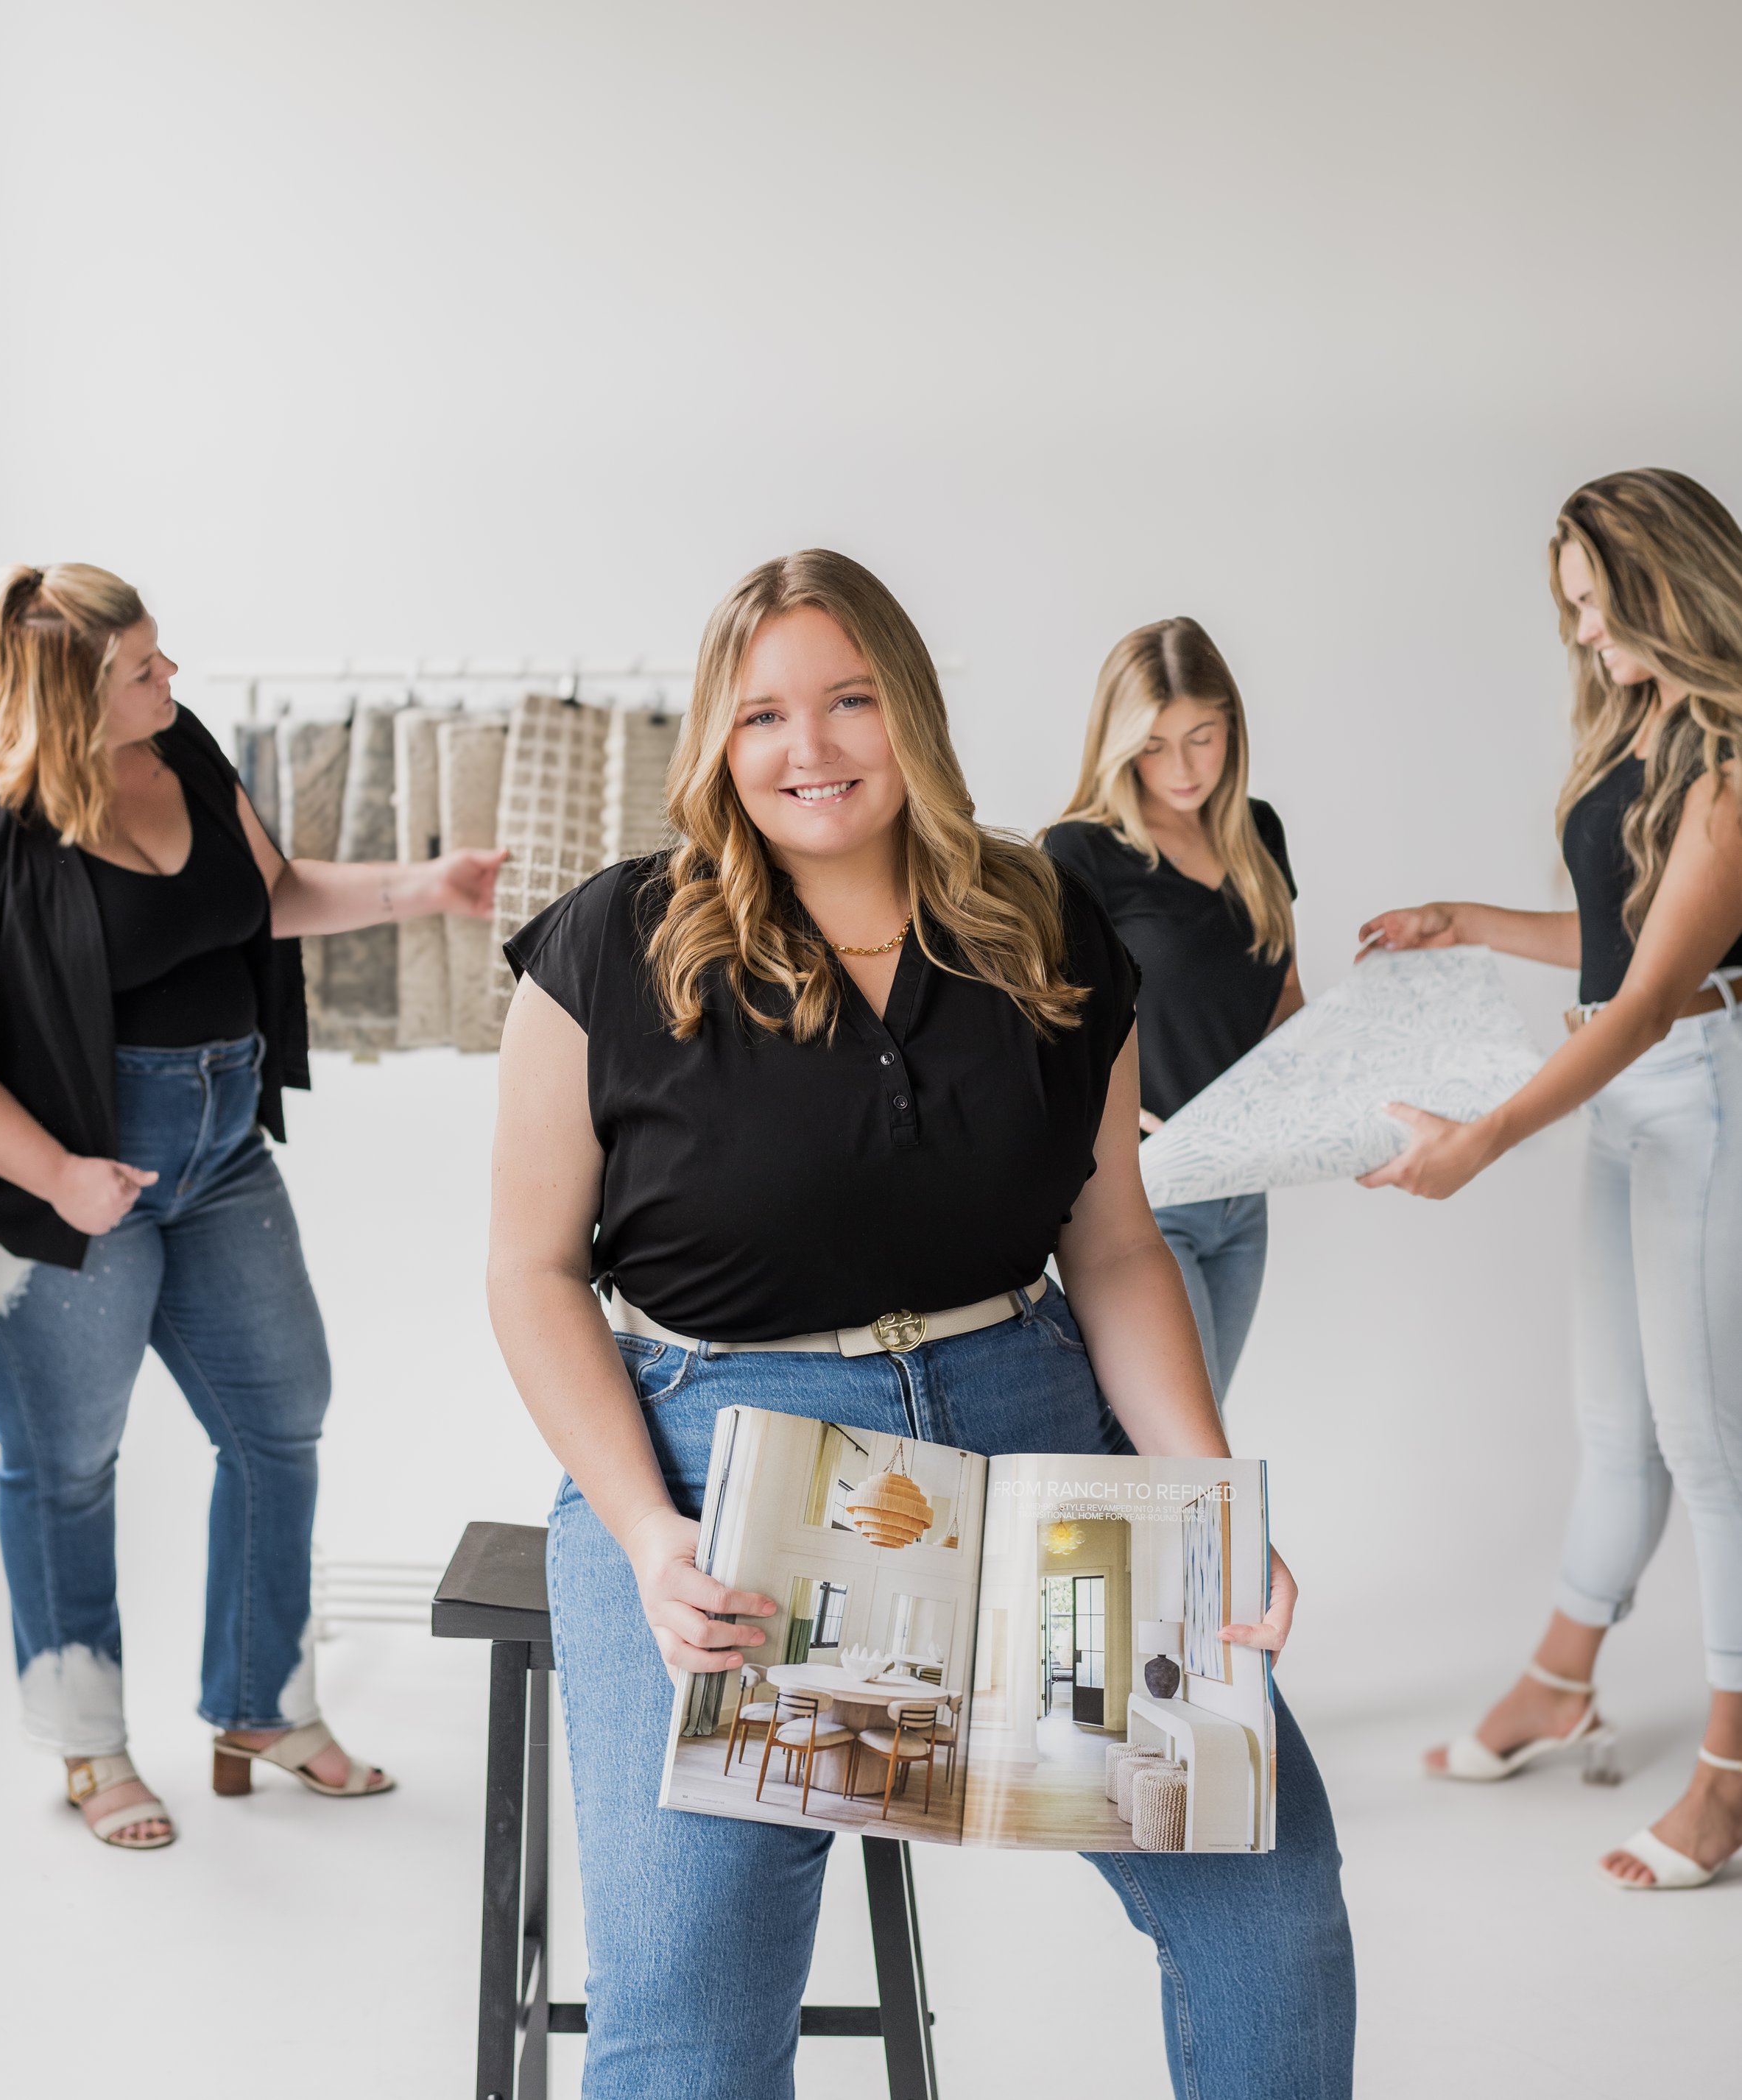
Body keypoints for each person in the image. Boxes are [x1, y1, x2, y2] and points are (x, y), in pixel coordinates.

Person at [487, 549, 1355, 2098]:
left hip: (1024, 1417)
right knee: (686, 2004)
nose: (806, 749)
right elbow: (532, 1272)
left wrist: (1210, 1499)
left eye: (846, 700)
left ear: (913, 712)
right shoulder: (613, 942)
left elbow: (1111, 1243)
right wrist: (642, 1532)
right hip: (718, 1464)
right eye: (760, 715)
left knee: (1268, 1902)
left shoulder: (1047, 923)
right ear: (714, 738)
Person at [0, 563, 504, 1850]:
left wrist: (427, 883)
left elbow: (271, 897)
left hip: (223, 1150)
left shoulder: (181, 746)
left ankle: (260, 1707)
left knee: (283, 1417)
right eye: (141, 667)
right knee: (67, 1466)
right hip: (54, 1190)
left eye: (162, 658)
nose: (171, 679)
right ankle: (89, 1743)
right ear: (71, 693)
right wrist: (62, 1173)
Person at [1358, 470, 1742, 1892]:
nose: (1583, 633)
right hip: (1630, 1087)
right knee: (1616, 1423)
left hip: (1699, 1092)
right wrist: (1463, 917)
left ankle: (1728, 1773)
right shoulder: (1640, 718)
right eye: (1571, 607)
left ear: (1667, 585)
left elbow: (1651, 1002)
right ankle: (1562, 1677)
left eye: (1597, 602)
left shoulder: (1731, 761)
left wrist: (1485, 1137)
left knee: (1714, 1452)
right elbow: (1608, 944)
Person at [1044, 618, 1302, 1406]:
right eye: (1154, 745)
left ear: (1232, 729)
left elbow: (1283, 996)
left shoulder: (1258, 831)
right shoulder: (1078, 852)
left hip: (1242, 1186)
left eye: (1203, 736)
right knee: (1181, 1449)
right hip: (1145, 1193)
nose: (1183, 768)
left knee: (1202, 1427)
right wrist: (1117, 1121)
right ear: (1118, 743)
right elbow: (1049, 1031)